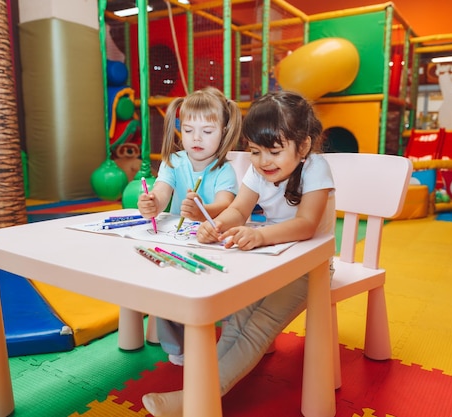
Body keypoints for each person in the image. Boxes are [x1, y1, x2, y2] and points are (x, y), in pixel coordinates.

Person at [141, 90, 336, 417]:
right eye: (255, 152)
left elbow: (306, 225)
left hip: (311, 267)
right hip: (273, 262)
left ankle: (194, 401)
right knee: (238, 320)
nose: (263, 162)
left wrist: (259, 236)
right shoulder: (257, 170)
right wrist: (215, 225)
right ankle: (197, 391)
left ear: (302, 147)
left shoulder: (316, 167)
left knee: (257, 326)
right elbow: (238, 209)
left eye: (274, 151)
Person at [137, 87, 242, 366]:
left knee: (233, 286)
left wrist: (202, 211)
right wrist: (151, 204)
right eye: (188, 129)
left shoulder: (223, 169)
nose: (196, 138)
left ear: (224, 131)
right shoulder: (174, 161)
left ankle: (232, 341)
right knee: (165, 284)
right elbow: (161, 193)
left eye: (207, 131)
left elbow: (226, 204)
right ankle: (176, 345)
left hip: (214, 245)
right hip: (177, 244)